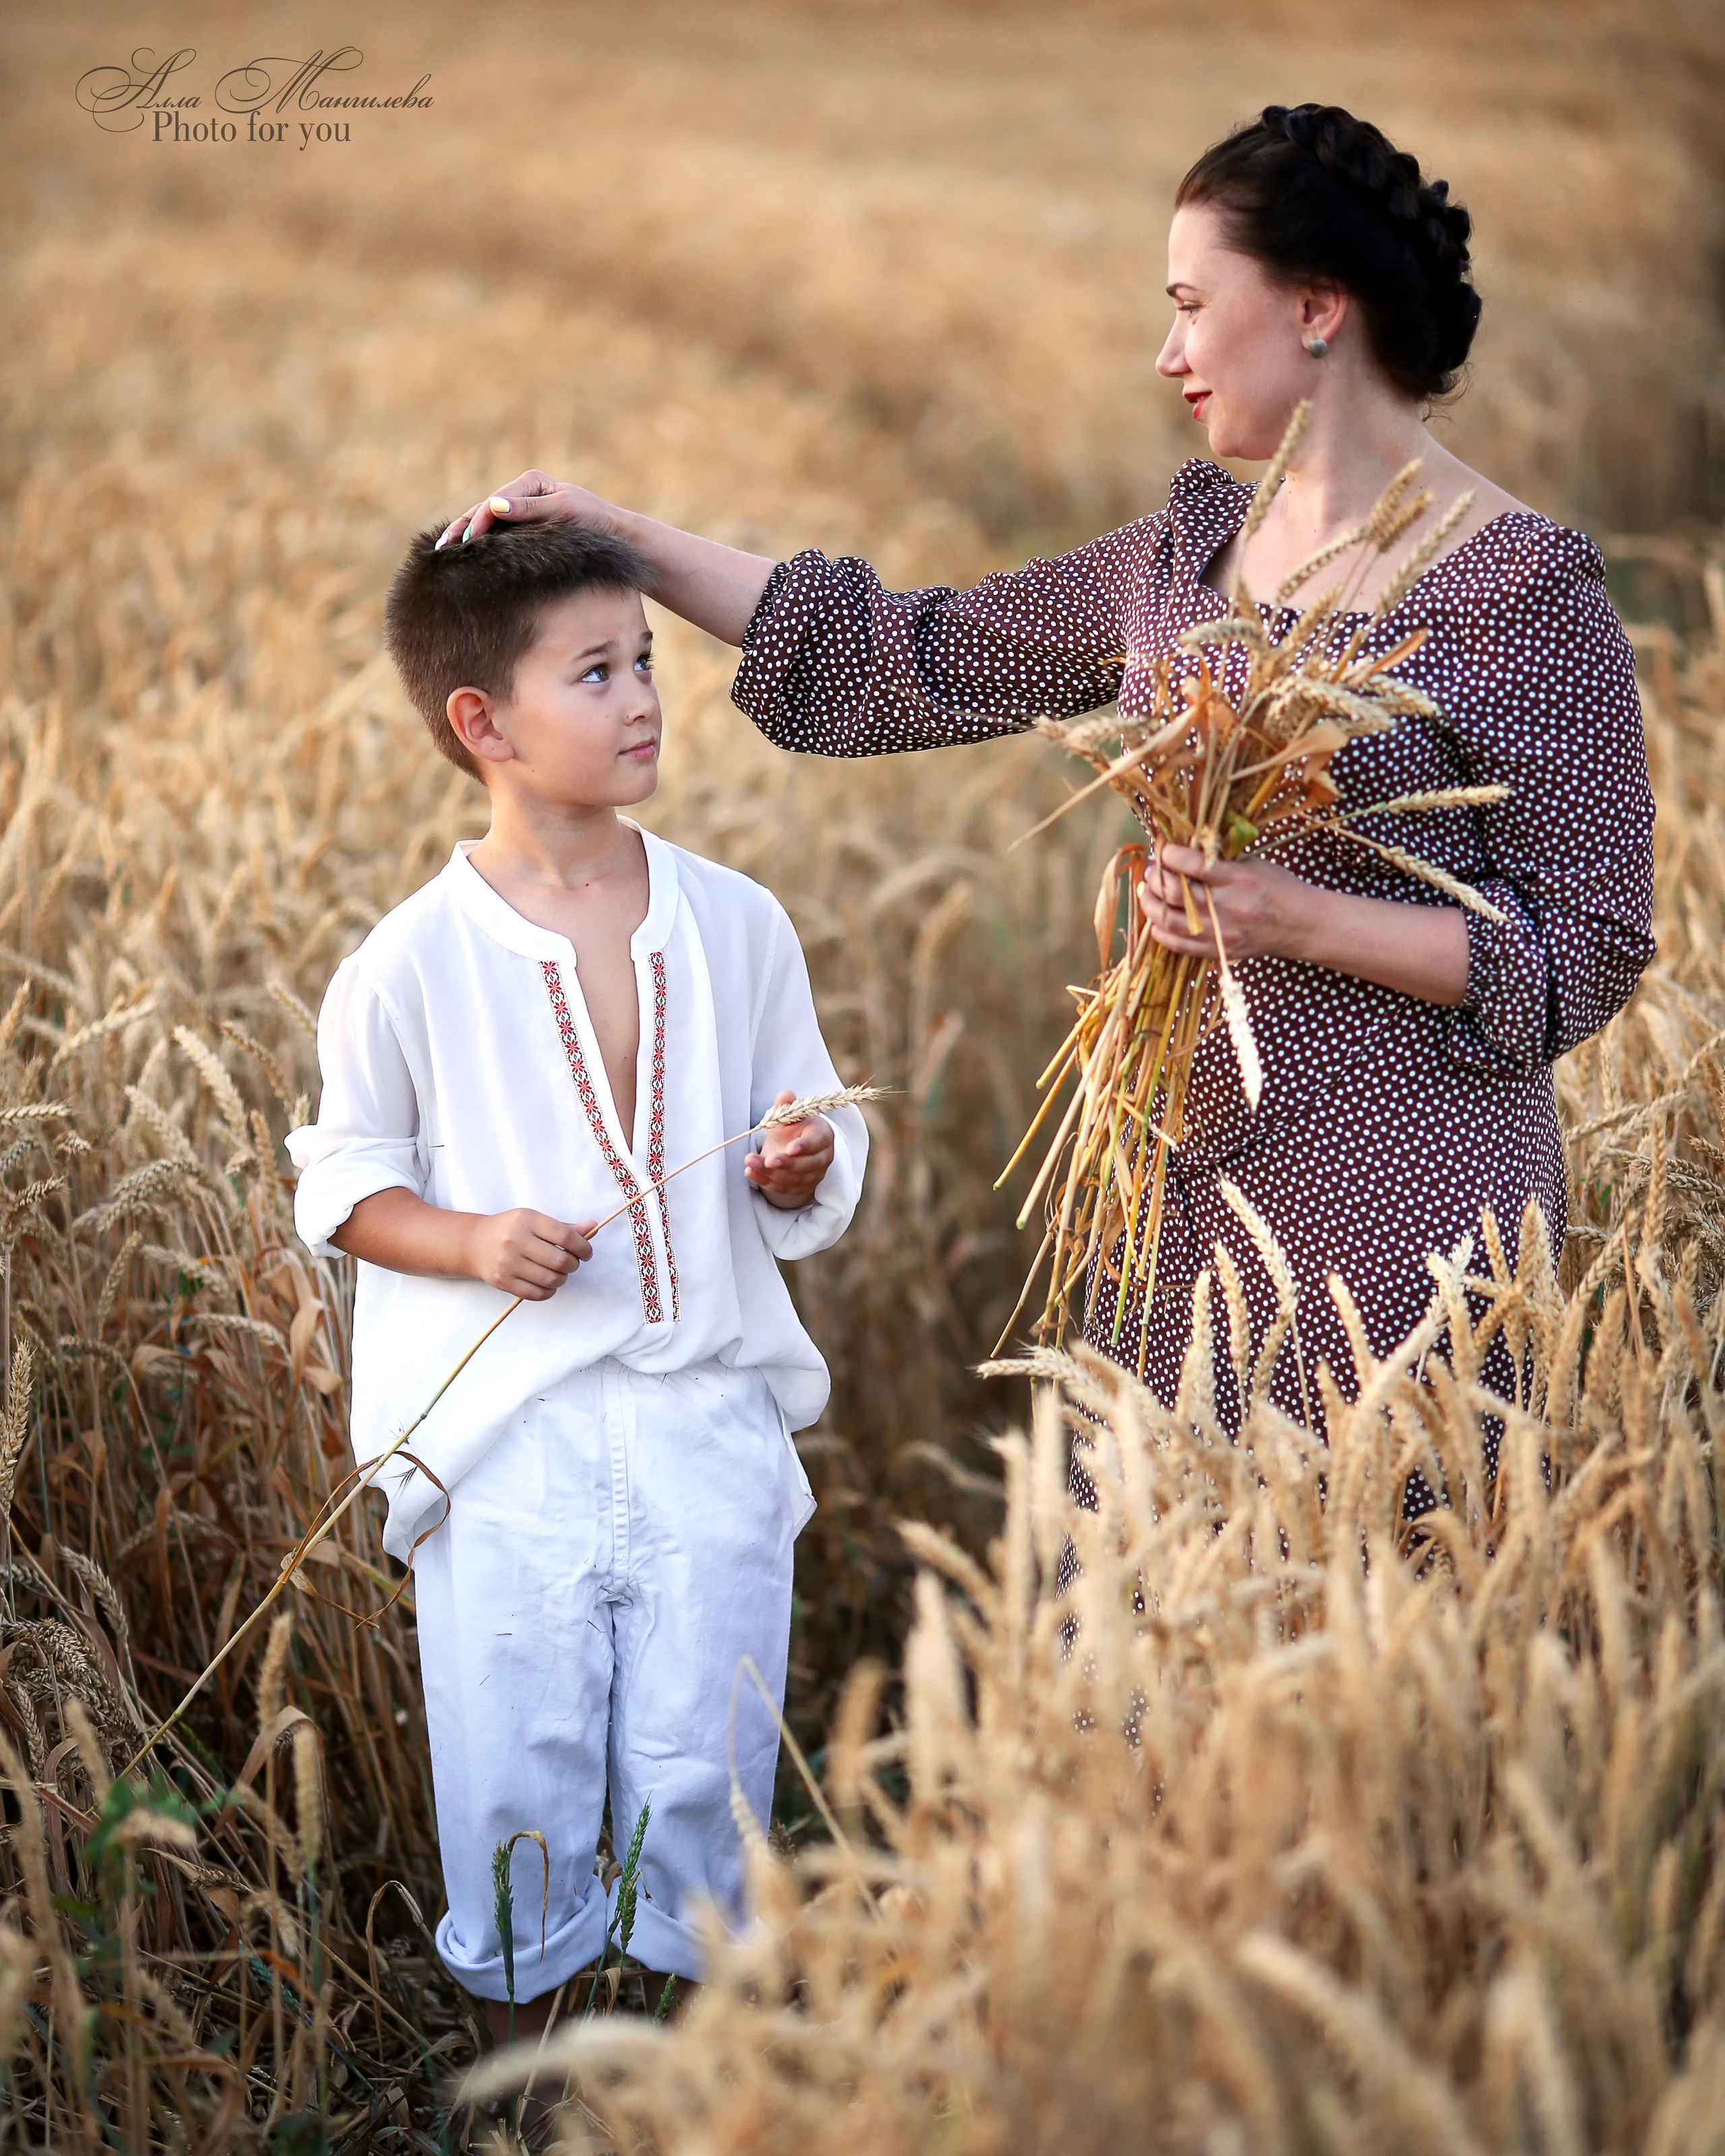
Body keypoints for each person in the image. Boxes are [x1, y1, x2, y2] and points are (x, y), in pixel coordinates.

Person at [437, 103, 1654, 1512]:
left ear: (1316, 307)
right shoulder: (1185, 552)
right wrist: (624, 540)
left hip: (1406, 1212)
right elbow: (903, 655)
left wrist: (1297, 918)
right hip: (1179, 1187)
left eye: (1192, 305)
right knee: (1154, 1641)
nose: (1167, 352)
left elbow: (1587, 951)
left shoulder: (1522, 593)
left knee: (1357, 1641)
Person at [285, 521, 867, 2047]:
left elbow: (815, 1112)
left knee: (709, 1768)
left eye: (648, 660)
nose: (641, 699)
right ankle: (522, 2097)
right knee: (514, 1773)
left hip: (706, 1420)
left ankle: (695, 2086)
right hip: (508, 1446)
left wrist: (802, 1162)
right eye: (594, 670)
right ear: (481, 720)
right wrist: (468, 1241)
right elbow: (340, 1177)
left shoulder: (733, 920)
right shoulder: (410, 960)